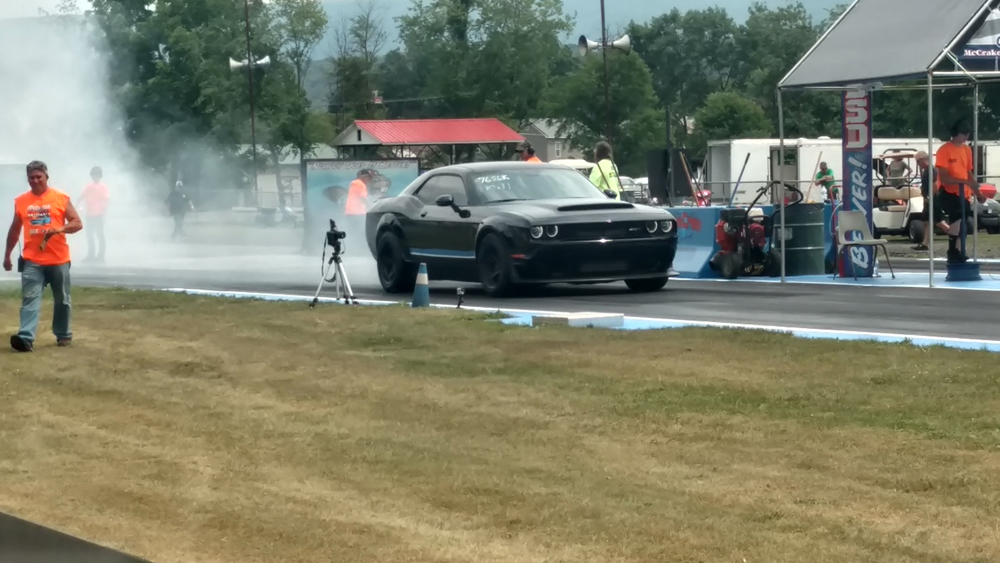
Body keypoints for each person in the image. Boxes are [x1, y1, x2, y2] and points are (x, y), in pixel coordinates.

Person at [3, 160, 84, 352]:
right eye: (31, 177)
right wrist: (7, 255)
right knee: (30, 299)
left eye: (38, 176)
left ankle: (63, 334)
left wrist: (59, 229)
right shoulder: (21, 201)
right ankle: (25, 338)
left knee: (62, 299)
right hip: (32, 260)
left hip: (58, 259)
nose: (35, 180)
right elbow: (14, 230)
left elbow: (77, 223)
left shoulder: (60, 198)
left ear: (46, 176)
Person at [935, 120, 987, 263]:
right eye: (964, 134)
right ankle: (952, 250)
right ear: (956, 134)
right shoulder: (944, 150)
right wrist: (963, 181)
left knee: (962, 223)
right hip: (948, 192)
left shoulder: (966, 150)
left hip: (964, 193)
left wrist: (978, 193)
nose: (966, 137)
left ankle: (957, 250)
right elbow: (944, 177)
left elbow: (969, 174)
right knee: (957, 217)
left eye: (967, 134)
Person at [913, 150, 950, 251]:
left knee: (938, 221)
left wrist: (930, 197)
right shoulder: (926, 170)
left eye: (918, 161)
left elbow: (935, 185)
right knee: (927, 220)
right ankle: (925, 243)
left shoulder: (931, 170)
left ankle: (955, 235)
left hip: (933, 199)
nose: (917, 164)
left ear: (923, 159)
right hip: (928, 199)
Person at [79, 166, 110, 262]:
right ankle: (91, 255)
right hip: (89, 214)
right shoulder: (89, 186)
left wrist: (104, 214)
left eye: (96, 175)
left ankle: (101, 256)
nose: (94, 177)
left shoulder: (103, 187)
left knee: (100, 235)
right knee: (90, 236)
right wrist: (78, 200)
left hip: (99, 215)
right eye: (93, 175)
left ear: (99, 176)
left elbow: (106, 200)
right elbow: (83, 195)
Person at [344, 168, 372, 235]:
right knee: (359, 233)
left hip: (349, 212)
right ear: (365, 177)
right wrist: (370, 206)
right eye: (369, 177)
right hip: (358, 213)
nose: (369, 180)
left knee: (352, 232)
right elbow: (362, 198)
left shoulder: (354, 183)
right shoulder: (361, 185)